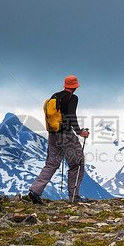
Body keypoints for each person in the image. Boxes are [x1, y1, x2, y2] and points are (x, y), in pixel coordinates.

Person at [28, 75, 90, 204]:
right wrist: (79, 132)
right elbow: (71, 115)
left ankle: (35, 190)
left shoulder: (55, 96)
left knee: (51, 164)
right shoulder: (72, 98)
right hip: (66, 135)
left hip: (53, 135)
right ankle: (74, 197)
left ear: (65, 85)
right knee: (77, 164)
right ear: (75, 87)